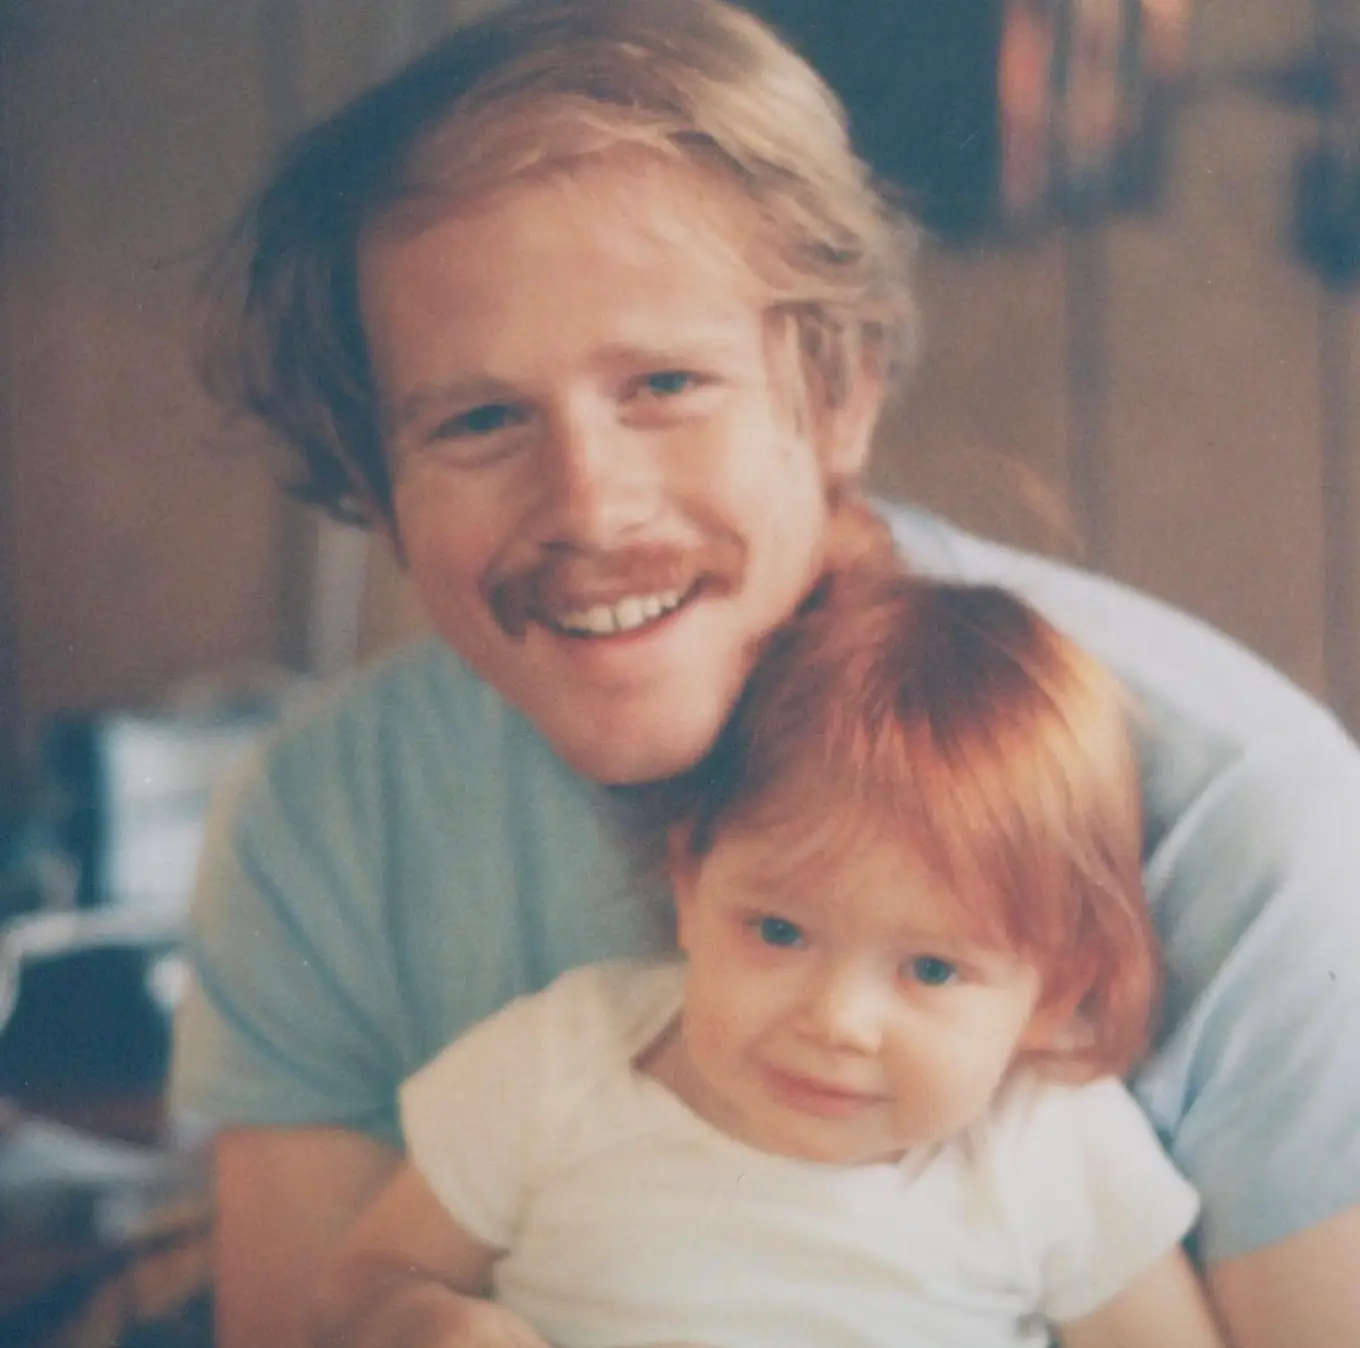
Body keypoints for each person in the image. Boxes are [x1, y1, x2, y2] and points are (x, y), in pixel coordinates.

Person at [171, 2, 1360, 1346]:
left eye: (667, 382)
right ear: (377, 488)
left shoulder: (1248, 809)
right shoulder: (322, 817)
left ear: (838, 390)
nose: (591, 506)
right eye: (479, 418)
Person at [309, 553, 1227, 1348]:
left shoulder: (1046, 1140)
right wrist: (425, 1323)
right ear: (690, 885)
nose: (837, 1021)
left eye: (933, 969)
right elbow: (358, 1290)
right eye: (779, 932)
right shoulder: (564, 1062)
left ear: (1052, 994)